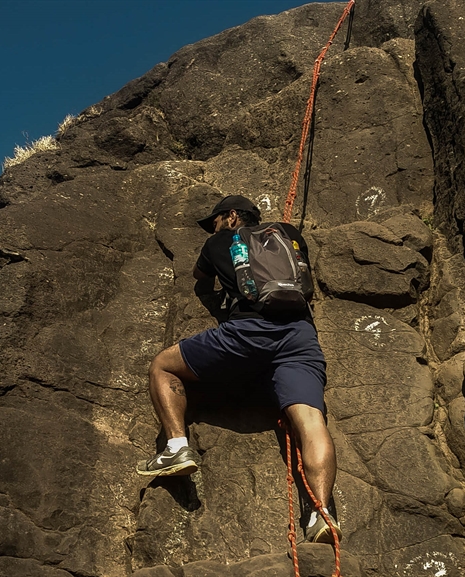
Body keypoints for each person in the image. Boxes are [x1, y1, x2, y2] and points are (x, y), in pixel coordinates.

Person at [136, 195, 340, 543]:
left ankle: (176, 448)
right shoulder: (288, 232)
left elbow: (200, 276)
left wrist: (219, 248)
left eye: (214, 220)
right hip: (299, 335)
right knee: (310, 421)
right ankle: (321, 513)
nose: (212, 227)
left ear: (230, 216)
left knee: (162, 366)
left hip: (248, 333)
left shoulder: (219, 241)